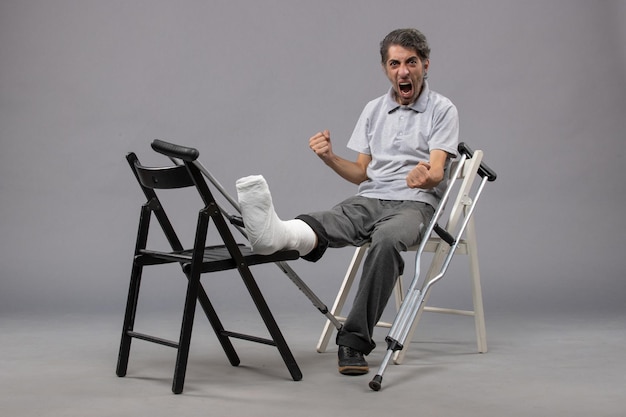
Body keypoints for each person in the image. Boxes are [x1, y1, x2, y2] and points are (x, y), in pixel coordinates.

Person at [235, 28, 459, 375]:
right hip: (369, 199)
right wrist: (329, 158)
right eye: (395, 63)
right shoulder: (373, 110)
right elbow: (360, 173)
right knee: (327, 219)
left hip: (415, 205)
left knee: (385, 241)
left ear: (425, 64)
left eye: (411, 62)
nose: (403, 71)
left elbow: (438, 170)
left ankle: (353, 343)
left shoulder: (442, 109)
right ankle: (273, 235)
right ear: (386, 68)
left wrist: (426, 177)